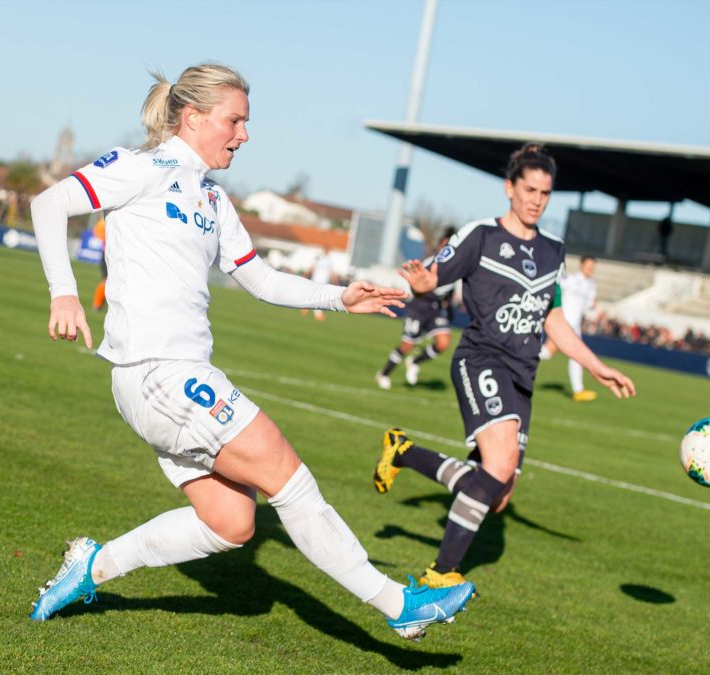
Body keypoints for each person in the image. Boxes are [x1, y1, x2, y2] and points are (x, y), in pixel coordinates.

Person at [27, 63, 475, 640]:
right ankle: (398, 604)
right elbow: (48, 204)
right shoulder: (141, 168)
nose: (244, 134)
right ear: (193, 117)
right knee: (286, 475)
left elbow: (260, 279)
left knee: (232, 523)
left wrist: (340, 297)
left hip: (171, 380)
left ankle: (94, 564)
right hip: (156, 372)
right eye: (234, 120)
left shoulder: (213, 199)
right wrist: (64, 295)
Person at [373, 143, 636, 589]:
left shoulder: (554, 251)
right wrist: (422, 284)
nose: (537, 199)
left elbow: (552, 317)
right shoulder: (481, 236)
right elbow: (433, 277)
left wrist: (595, 366)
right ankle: (440, 574)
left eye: (546, 193)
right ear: (509, 188)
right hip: (481, 359)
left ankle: (403, 451)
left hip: (523, 375)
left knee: (496, 493)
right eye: (529, 189)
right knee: (500, 462)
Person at [376, 227, 458, 390]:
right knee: (407, 345)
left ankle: (415, 362)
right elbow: (416, 284)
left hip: (437, 309)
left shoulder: (457, 267)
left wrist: (449, 308)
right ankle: (384, 374)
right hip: (420, 307)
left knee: (443, 343)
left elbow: (451, 290)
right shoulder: (430, 263)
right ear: (442, 244)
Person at [539, 255, 599, 401]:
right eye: (588, 266)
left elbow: (587, 307)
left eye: (592, 267)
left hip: (575, 326)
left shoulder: (591, 285)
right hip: (563, 324)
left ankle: (578, 391)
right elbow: (554, 290)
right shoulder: (571, 280)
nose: (590, 269)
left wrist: (593, 308)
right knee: (546, 353)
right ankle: (514, 363)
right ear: (581, 265)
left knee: (574, 357)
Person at [301, 247, 334, 321]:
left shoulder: (329, 261)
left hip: (324, 282)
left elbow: (331, 272)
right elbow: (312, 267)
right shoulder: (319, 258)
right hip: (316, 279)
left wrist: (334, 280)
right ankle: (316, 313)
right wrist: (306, 274)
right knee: (316, 296)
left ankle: (308, 308)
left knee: (319, 297)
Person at [90, 216, 108, 311]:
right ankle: (97, 304)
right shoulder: (105, 221)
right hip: (108, 254)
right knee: (106, 280)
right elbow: (97, 232)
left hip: (114, 254)